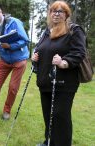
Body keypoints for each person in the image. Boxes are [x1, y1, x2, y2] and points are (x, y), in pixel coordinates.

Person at [32, 1, 86, 146]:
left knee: (60, 116)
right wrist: (35, 57)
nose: (56, 14)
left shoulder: (74, 30)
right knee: (48, 115)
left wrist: (64, 62)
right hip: (45, 81)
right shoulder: (46, 32)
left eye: (60, 11)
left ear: (66, 15)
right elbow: (40, 49)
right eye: (53, 11)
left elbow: (79, 52)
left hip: (64, 83)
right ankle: (49, 142)